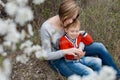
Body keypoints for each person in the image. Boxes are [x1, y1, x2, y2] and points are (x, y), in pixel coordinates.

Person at [40, 0, 120, 78]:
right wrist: (66, 51)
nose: (71, 21)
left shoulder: (69, 20)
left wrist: (80, 48)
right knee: (86, 73)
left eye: (73, 18)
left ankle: (117, 75)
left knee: (99, 47)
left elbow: (79, 39)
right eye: (70, 18)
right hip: (58, 59)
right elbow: (46, 55)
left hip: (74, 51)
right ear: (63, 13)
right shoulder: (46, 28)